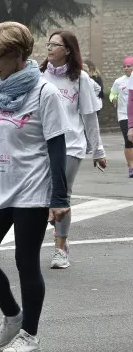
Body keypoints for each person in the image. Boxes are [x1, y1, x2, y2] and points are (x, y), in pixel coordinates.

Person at [0, 21, 70, 352]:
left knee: (26, 262)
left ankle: (30, 334)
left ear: (15, 55)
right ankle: (13, 317)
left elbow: (57, 147)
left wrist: (59, 198)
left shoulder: (45, 93)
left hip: (32, 189)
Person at [40, 30, 105, 269]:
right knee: (44, 197)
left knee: (61, 194)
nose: (49, 48)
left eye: (55, 44)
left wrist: (97, 150)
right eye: (48, 44)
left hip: (71, 145)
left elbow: (89, 116)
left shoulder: (80, 79)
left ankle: (60, 248)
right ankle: (55, 223)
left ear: (67, 50)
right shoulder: (39, 75)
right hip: (42, 145)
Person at [110, 57, 133, 176]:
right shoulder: (119, 81)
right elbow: (112, 93)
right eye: (124, 66)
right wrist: (113, 99)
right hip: (123, 114)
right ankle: (131, 167)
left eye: (129, 66)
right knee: (129, 140)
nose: (126, 68)